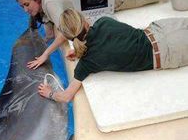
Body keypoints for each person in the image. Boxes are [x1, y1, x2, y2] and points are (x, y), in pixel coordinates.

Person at [38, 8, 188, 103]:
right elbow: (121, 42)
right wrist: (80, 52)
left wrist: (50, 93)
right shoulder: (105, 22)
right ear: (85, 21)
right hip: (161, 29)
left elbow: (66, 97)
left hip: (170, 50)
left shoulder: (87, 63)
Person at [16, 0, 169, 70]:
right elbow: (49, 29)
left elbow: (64, 33)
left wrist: (45, 54)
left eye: (26, 4)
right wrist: (42, 42)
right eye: (22, 6)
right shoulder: (45, 2)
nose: (24, 10)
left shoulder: (49, 3)